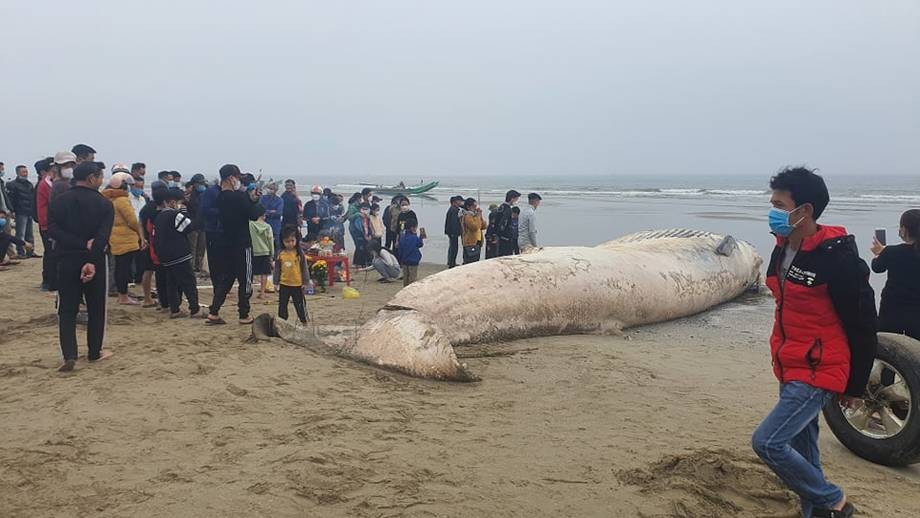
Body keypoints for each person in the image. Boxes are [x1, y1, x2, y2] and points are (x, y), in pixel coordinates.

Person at [751, 167, 876, 518]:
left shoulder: (838, 258)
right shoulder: (783, 249)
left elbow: (864, 324)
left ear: (803, 210)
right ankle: (816, 512)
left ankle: (834, 501)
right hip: (789, 362)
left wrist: (855, 383)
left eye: (778, 204)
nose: (772, 210)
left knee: (769, 442)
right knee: (805, 452)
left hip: (821, 368)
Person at [48, 161, 114, 372]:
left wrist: (77, 244)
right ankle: (94, 352)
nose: (101, 180)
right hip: (95, 260)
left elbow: (53, 231)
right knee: (96, 308)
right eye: (100, 177)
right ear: (92, 178)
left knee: (67, 309)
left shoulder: (59, 201)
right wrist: (91, 261)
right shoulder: (104, 204)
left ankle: (69, 355)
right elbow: (102, 238)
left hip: (66, 258)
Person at [207, 164, 261, 325]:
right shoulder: (238, 197)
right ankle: (244, 314)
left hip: (226, 242)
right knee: (246, 279)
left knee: (227, 278)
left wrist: (249, 200)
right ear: (231, 178)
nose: (238, 181)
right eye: (237, 178)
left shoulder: (219, 197)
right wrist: (256, 201)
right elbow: (253, 215)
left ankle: (214, 311)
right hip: (242, 243)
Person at [154, 188, 204, 318]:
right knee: (189, 282)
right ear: (172, 202)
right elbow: (189, 227)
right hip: (179, 254)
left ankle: (175, 309)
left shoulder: (159, 217)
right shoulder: (174, 215)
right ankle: (195, 309)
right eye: (180, 203)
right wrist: (185, 213)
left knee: (172, 282)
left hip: (165, 256)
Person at [871, 209, 920, 340]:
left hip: (892, 308)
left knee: (887, 342)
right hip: (917, 310)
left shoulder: (892, 252)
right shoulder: (892, 251)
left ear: (904, 229)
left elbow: (877, 267)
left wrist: (879, 253)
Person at [102, 172, 144, 306]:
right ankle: (123, 296)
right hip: (125, 238)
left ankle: (122, 294)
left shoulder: (108, 199)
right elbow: (132, 220)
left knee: (119, 267)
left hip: (114, 237)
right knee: (124, 269)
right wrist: (140, 234)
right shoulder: (122, 200)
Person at [139, 182, 168, 309]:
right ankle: (162, 301)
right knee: (162, 273)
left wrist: (141, 238)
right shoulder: (161, 209)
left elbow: (140, 223)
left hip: (147, 241)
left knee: (149, 271)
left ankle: (147, 298)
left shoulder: (147, 207)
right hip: (157, 244)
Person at [273, 226, 309, 324]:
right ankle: (282, 322)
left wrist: (305, 282)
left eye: (292, 240)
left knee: (300, 304)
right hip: (284, 284)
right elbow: (277, 269)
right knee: (282, 305)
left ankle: (304, 321)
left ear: (297, 239)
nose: (290, 243)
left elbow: (304, 268)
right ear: (282, 241)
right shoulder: (280, 254)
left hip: (297, 284)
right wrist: (275, 283)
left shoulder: (299, 253)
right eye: (287, 241)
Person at [34, 158, 55, 289]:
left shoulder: (46, 183)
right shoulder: (44, 184)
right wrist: (44, 223)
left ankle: (49, 281)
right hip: (46, 224)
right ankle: (48, 281)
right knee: (50, 254)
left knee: (50, 253)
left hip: (46, 223)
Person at [6, 164, 36, 258]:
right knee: (20, 233)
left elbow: (32, 198)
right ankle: (21, 252)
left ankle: (30, 251)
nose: (25, 174)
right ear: (18, 173)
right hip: (20, 212)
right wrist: (12, 211)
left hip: (29, 211)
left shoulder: (29, 184)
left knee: (30, 234)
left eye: (26, 172)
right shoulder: (12, 185)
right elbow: (11, 199)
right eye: (23, 172)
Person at [250, 204, 275, 299]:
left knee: (250, 273)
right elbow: (270, 241)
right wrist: (271, 254)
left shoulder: (250, 225)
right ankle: (263, 293)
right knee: (264, 273)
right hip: (265, 252)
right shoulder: (268, 227)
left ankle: (247, 291)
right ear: (263, 215)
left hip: (253, 251)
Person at [185, 173, 208, 274]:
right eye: (199, 183)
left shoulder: (205, 194)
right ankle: (191, 267)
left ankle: (199, 266)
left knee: (201, 247)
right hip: (193, 225)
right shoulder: (190, 196)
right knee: (192, 247)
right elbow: (192, 208)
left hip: (202, 225)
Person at [260, 181, 284, 255]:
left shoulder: (279, 200)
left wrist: (267, 212)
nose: (270, 190)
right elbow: (260, 210)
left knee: (277, 244)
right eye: (269, 188)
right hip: (264, 224)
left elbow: (279, 213)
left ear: (276, 190)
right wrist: (271, 211)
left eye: (272, 189)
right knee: (263, 243)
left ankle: (277, 259)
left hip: (275, 225)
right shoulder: (262, 198)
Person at [460, 198, 487, 264]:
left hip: (477, 242)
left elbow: (484, 226)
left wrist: (480, 217)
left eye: (476, 206)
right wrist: (478, 217)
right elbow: (474, 227)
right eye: (474, 206)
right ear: (468, 207)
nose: (475, 208)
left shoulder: (475, 216)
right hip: (470, 242)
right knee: (470, 261)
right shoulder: (467, 216)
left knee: (476, 260)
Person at [398, 219, 423, 286]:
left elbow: (400, 249)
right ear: (412, 228)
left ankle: (405, 291)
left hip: (405, 261)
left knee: (405, 278)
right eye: (415, 227)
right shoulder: (414, 238)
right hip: (413, 261)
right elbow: (420, 244)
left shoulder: (403, 237)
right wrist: (421, 237)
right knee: (412, 279)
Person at [495, 190, 520, 257]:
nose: (516, 201)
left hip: (500, 237)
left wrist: (497, 234)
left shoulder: (501, 207)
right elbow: (503, 223)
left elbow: (496, 221)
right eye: (516, 199)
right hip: (506, 238)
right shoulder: (508, 209)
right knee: (506, 257)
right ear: (512, 198)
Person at [350, 202, 372, 267]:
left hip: (367, 234)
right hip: (359, 235)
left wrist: (369, 234)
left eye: (367, 209)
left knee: (366, 248)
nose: (365, 211)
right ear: (360, 209)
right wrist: (364, 235)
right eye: (363, 209)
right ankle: (359, 263)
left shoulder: (368, 218)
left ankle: (364, 262)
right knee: (360, 248)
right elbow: (358, 228)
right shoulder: (358, 218)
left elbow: (369, 227)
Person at [444, 195, 463, 268]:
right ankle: (452, 263)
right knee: (454, 248)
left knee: (452, 247)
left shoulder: (453, 209)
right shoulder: (454, 210)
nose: (461, 202)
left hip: (450, 231)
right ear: (455, 202)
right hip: (452, 232)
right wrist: (455, 232)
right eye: (460, 201)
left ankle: (451, 262)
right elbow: (454, 222)